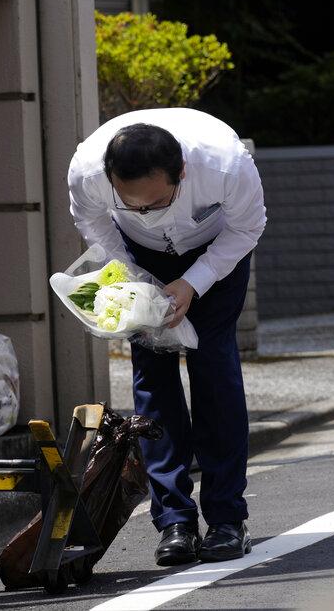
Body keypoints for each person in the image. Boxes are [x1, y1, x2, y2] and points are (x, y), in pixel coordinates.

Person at [67, 107, 266, 566]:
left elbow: (247, 227)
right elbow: (93, 223)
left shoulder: (226, 165)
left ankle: (227, 519)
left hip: (216, 253)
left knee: (213, 370)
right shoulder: (86, 169)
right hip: (137, 255)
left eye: (156, 203)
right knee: (152, 378)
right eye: (131, 204)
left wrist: (194, 281)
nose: (145, 212)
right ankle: (174, 520)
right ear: (109, 177)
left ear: (181, 173)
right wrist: (135, 276)